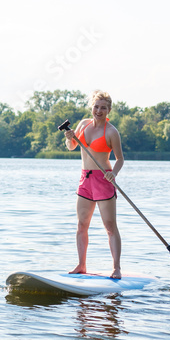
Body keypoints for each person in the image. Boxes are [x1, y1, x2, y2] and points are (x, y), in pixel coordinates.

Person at [63, 90, 125, 279]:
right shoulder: (83, 124)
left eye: (103, 108)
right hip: (85, 180)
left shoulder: (112, 132)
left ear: (109, 110)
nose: (99, 110)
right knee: (82, 225)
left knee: (109, 226)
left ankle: (116, 268)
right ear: (92, 106)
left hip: (103, 180)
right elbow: (72, 147)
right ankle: (81, 265)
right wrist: (69, 138)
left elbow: (120, 159)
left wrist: (113, 173)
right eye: (96, 106)